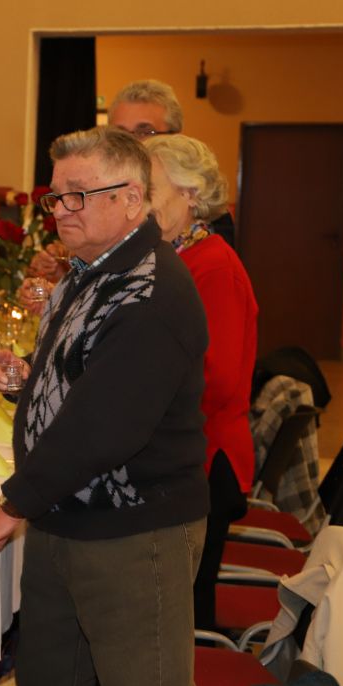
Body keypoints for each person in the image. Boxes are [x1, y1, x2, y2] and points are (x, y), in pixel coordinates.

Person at [0, 126, 210, 686]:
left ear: (131, 198)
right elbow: (85, 375)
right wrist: (28, 380)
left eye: (79, 195)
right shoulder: (92, 270)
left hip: (133, 531)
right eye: (56, 196)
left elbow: (108, 424)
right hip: (67, 514)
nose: (61, 210)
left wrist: (14, 505)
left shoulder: (151, 289)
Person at [145, 132, 259, 631]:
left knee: (183, 613)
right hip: (184, 453)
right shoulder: (173, 255)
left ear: (189, 194)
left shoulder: (213, 265)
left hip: (206, 460)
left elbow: (218, 380)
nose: (137, 201)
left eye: (148, 188)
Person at [108, 78, 237, 247]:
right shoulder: (98, 195)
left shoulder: (207, 218)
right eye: (120, 134)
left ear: (175, 138)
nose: (131, 144)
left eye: (145, 132)